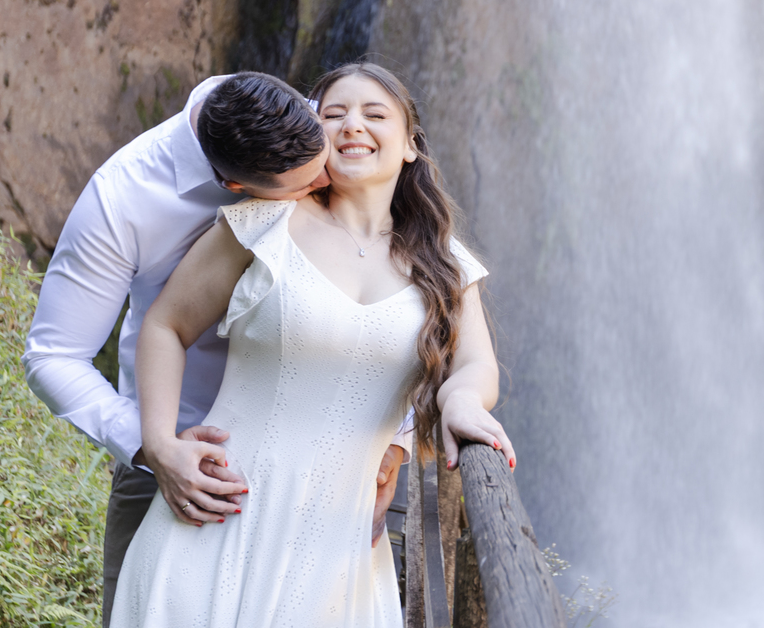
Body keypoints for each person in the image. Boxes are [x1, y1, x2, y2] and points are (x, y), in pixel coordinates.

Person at [109, 62, 513, 627]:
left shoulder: (444, 266)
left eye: (375, 114)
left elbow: (473, 365)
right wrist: (159, 442)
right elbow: (164, 326)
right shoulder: (262, 223)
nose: (353, 125)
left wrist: (462, 402)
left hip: (338, 553)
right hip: (217, 516)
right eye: (332, 115)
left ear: (410, 147)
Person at [22, 73, 412, 627]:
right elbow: (52, 356)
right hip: (177, 466)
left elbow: (397, 280)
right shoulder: (122, 199)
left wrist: (395, 435)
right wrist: (152, 446)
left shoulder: (315, 123)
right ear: (237, 189)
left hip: (318, 474)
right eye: (306, 186)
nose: (331, 179)